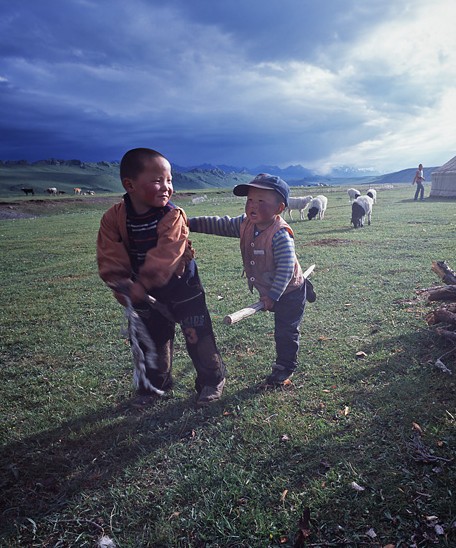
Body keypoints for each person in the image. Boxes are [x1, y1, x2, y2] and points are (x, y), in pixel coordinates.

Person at [97, 148, 226, 409]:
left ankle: (212, 380)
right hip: (143, 293)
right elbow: (109, 254)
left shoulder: (172, 215)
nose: (166, 187)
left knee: (197, 335)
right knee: (150, 342)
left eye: (169, 180)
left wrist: (141, 284)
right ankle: (154, 386)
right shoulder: (114, 217)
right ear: (129, 184)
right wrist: (122, 284)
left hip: (182, 287)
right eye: (158, 180)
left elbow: (167, 253)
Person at [188, 174, 315, 386]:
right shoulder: (246, 223)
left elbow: (284, 269)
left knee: (285, 330)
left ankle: (285, 366)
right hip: (271, 289)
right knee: (283, 323)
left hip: (288, 293)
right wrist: (190, 223)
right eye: (250, 200)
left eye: (261, 201)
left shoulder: (280, 235)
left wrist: (272, 297)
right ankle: (304, 285)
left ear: (279, 208)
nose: (253, 206)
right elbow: (221, 225)